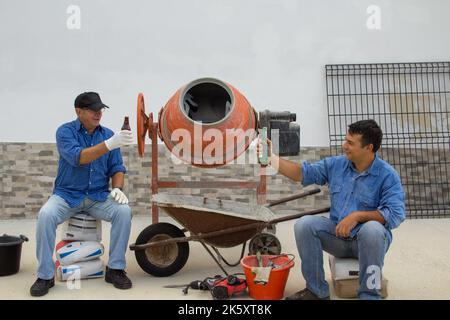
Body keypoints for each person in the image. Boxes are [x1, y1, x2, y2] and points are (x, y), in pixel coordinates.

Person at [258, 119, 405, 300]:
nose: (344, 146)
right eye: (345, 140)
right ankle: (316, 291)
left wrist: (358, 216)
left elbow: (396, 214)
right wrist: (271, 157)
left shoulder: (387, 175)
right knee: (305, 224)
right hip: (339, 237)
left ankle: (369, 294)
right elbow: (301, 173)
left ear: (369, 147)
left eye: (350, 143)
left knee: (373, 229)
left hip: (368, 242)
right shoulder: (337, 165)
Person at [30, 92, 134, 297]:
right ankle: (45, 275)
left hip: (98, 196)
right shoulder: (65, 132)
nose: (98, 113)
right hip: (67, 195)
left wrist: (117, 189)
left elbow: (117, 168)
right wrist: (110, 143)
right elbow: (79, 158)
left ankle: (115, 269)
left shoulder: (108, 134)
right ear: (79, 111)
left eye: (100, 109)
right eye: (92, 109)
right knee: (46, 215)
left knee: (124, 212)